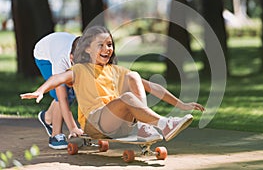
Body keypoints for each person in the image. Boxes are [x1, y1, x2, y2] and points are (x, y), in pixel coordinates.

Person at [21, 26, 205, 142]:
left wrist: (181, 104)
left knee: (133, 76)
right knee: (124, 97)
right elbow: (57, 80)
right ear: (87, 48)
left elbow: (151, 86)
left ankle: (144, 127)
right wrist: (41, 90)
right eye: (100, 45)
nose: (107, 49)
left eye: (109, 44)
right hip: (95, 123)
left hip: (116, 121)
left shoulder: (114, 70)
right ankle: (163, 124)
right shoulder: (79, 69)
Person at [33, 32, 83, 149]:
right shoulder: (61, 61)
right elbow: (62, 98)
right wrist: (73, 128)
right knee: (62, 94)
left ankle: (47, 118)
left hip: (59, 44)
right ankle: (55, 135)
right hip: (44, 55)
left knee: (73, 91)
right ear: (72, 58)